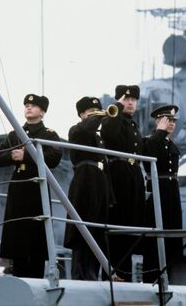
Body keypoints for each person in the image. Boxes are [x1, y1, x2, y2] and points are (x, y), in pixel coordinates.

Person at [0, 93, 62, 278]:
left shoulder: (49, 135)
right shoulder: (15, 134)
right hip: (19, 187)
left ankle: (36, 278)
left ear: (42, 112)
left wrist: (26, 156)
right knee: (18, 236)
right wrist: (11, 156)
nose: (29, 107)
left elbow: (54, 159)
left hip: (37, 188)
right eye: (27, 105)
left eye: (34, 105)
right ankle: (18, 276)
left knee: (36, 237)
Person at [64, 96, 114, 280]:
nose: (95, 115)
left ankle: (93, 274)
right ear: (82, 114)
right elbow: (87, 127)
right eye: (91, 112)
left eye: (97, 111)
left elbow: (105, 166)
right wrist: (98, 116)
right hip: (84, 183)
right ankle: (80, 275)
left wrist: (110, 196)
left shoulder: (98, 138)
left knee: (99, 232)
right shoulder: (77, 130)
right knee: (82, 231)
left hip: (99, 184)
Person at [100, 84, 145, 281]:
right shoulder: (113, 117)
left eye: (134, 100)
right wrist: (115, 108)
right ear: (118, 100)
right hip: (118, 174)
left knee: (130, 225)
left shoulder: (133, 125)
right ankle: (113, 272)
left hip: (133, 175)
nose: (130, 102)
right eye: (126, 99)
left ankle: (124, 273)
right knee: (116, 225)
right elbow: (109, 134)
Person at [142, 104, 183, 283]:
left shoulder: (170, 144)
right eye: (168, 120)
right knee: (154, 240)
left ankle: (170, 278)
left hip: (172, 192)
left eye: (173, 120)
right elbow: (149, 153)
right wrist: (159, 132)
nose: (171, 123)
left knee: (172, 236)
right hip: (158, 190)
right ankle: (151, 278)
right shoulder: (150, 140)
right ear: (158, 121)